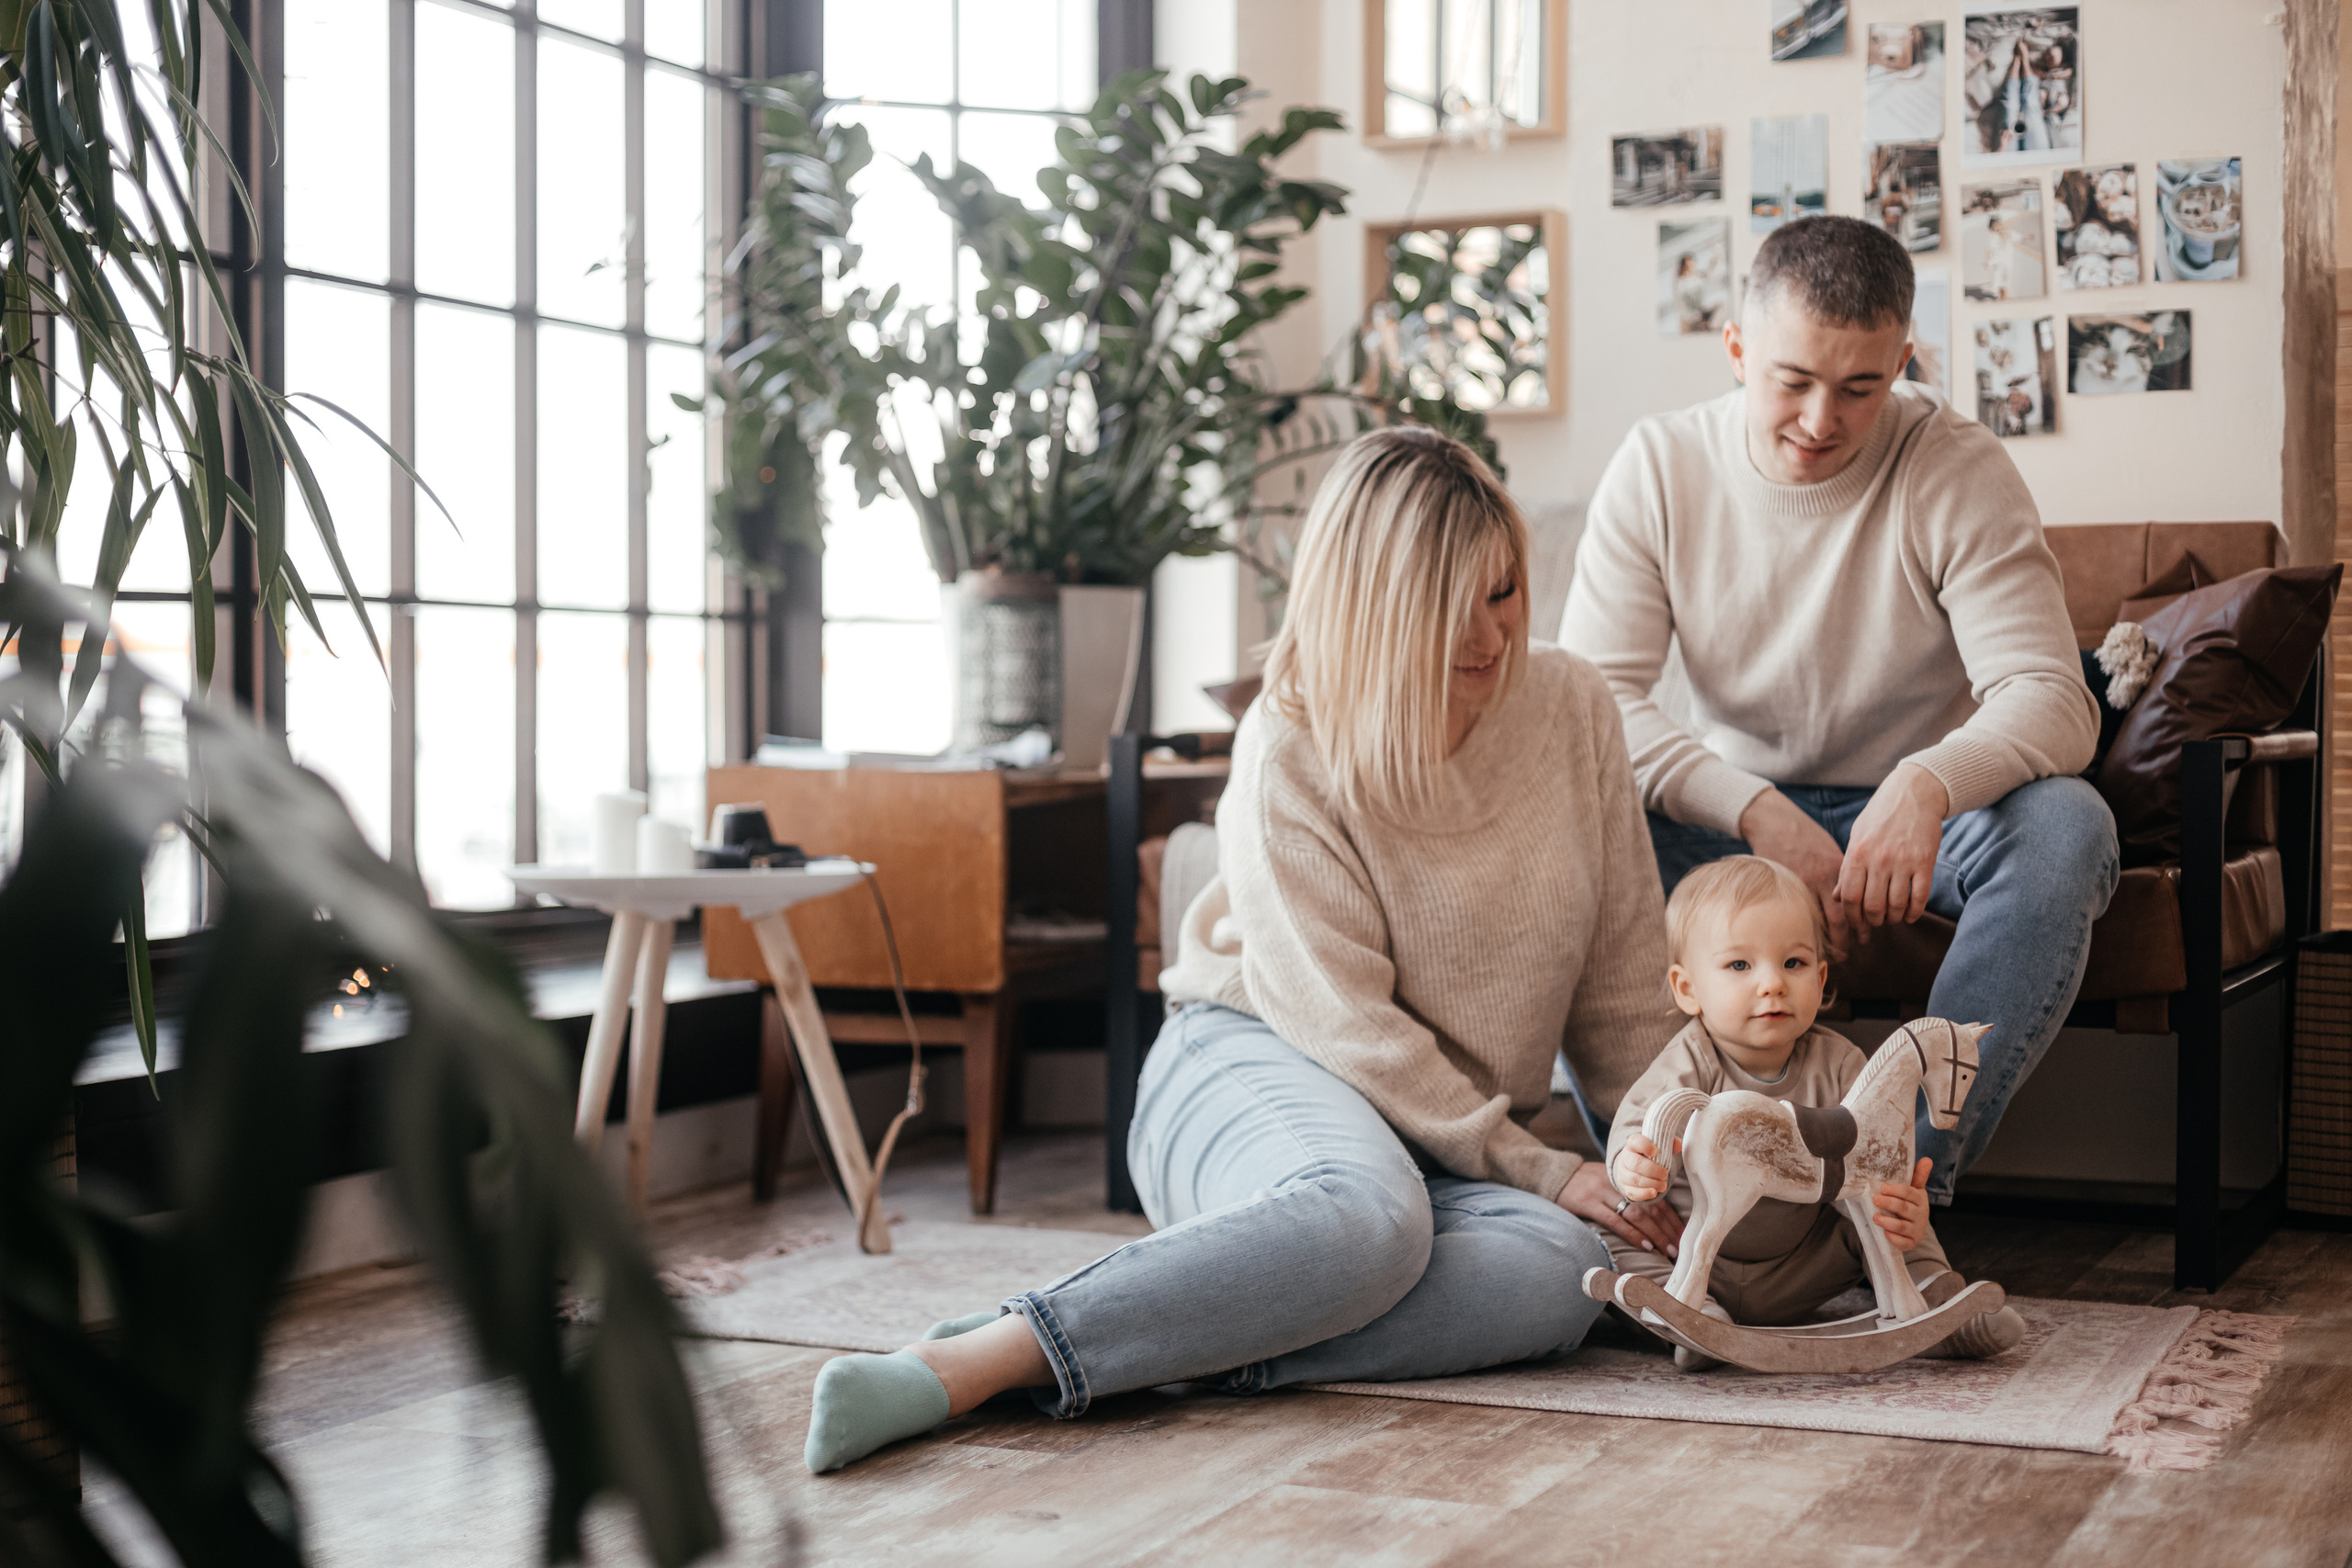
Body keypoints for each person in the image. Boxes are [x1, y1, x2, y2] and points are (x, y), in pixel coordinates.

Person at [801, 425, 1688, 1473]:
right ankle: (987, 1357)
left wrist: (1669, 1158)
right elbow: (1346, 1026)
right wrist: (1538, 1164)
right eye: (1447, 604)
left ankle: (1176, 1337)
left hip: (1439, 1141)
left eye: (1501, 591)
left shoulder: (1575, 707)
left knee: (1567, 1272)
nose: (1489, 635)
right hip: (1255, 1064)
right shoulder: (1289, 740)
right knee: (1368, 1223)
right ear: (1368, 605)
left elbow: (1628, 990)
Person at [1559, 215, 2117, 1213]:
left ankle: (1889, 1190)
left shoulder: (1955, 466)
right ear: (1736, 348)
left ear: (1903, 361)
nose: (1821, 419)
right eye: (1792, 380)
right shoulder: (1659, 467)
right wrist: (1755, 812)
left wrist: (1925, 782)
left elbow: (2050, 697)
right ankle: (1659, 1188)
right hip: (1731, 825)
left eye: (1862, 387)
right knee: (1568, 819)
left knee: (2068, 826)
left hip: (1923, 825)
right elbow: (1593, 702)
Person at [1605, 856, 2024, 1370]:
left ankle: (1938, 1302)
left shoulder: (1843, 1065)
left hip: (1803, 1264)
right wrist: (1634, 1164)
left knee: (1885, 1201)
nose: (1772, 984)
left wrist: (1910, 1212)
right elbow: (1637, 1127)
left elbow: (1876, 1159)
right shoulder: (1687, 1062)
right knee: (1608, 1231)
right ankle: (1697, 1318)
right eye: (1740, 965)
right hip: (1690, 1258)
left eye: (1794, 964)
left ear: (1822, 980)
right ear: (1688, 988)